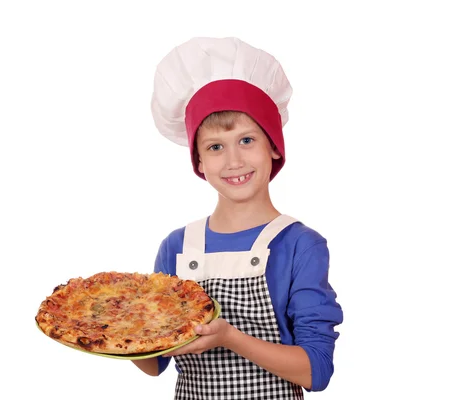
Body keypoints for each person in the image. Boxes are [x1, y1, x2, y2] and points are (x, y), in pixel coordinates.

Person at [132, 37, 343, 399]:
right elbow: (155, 363)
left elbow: (316, 370)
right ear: (199, 161)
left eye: (246, 140)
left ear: (273, 146)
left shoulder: (298, 244)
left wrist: (229, 337)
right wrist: (118, 327)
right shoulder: (177, 246)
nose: (233, 161)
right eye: (215, 147)